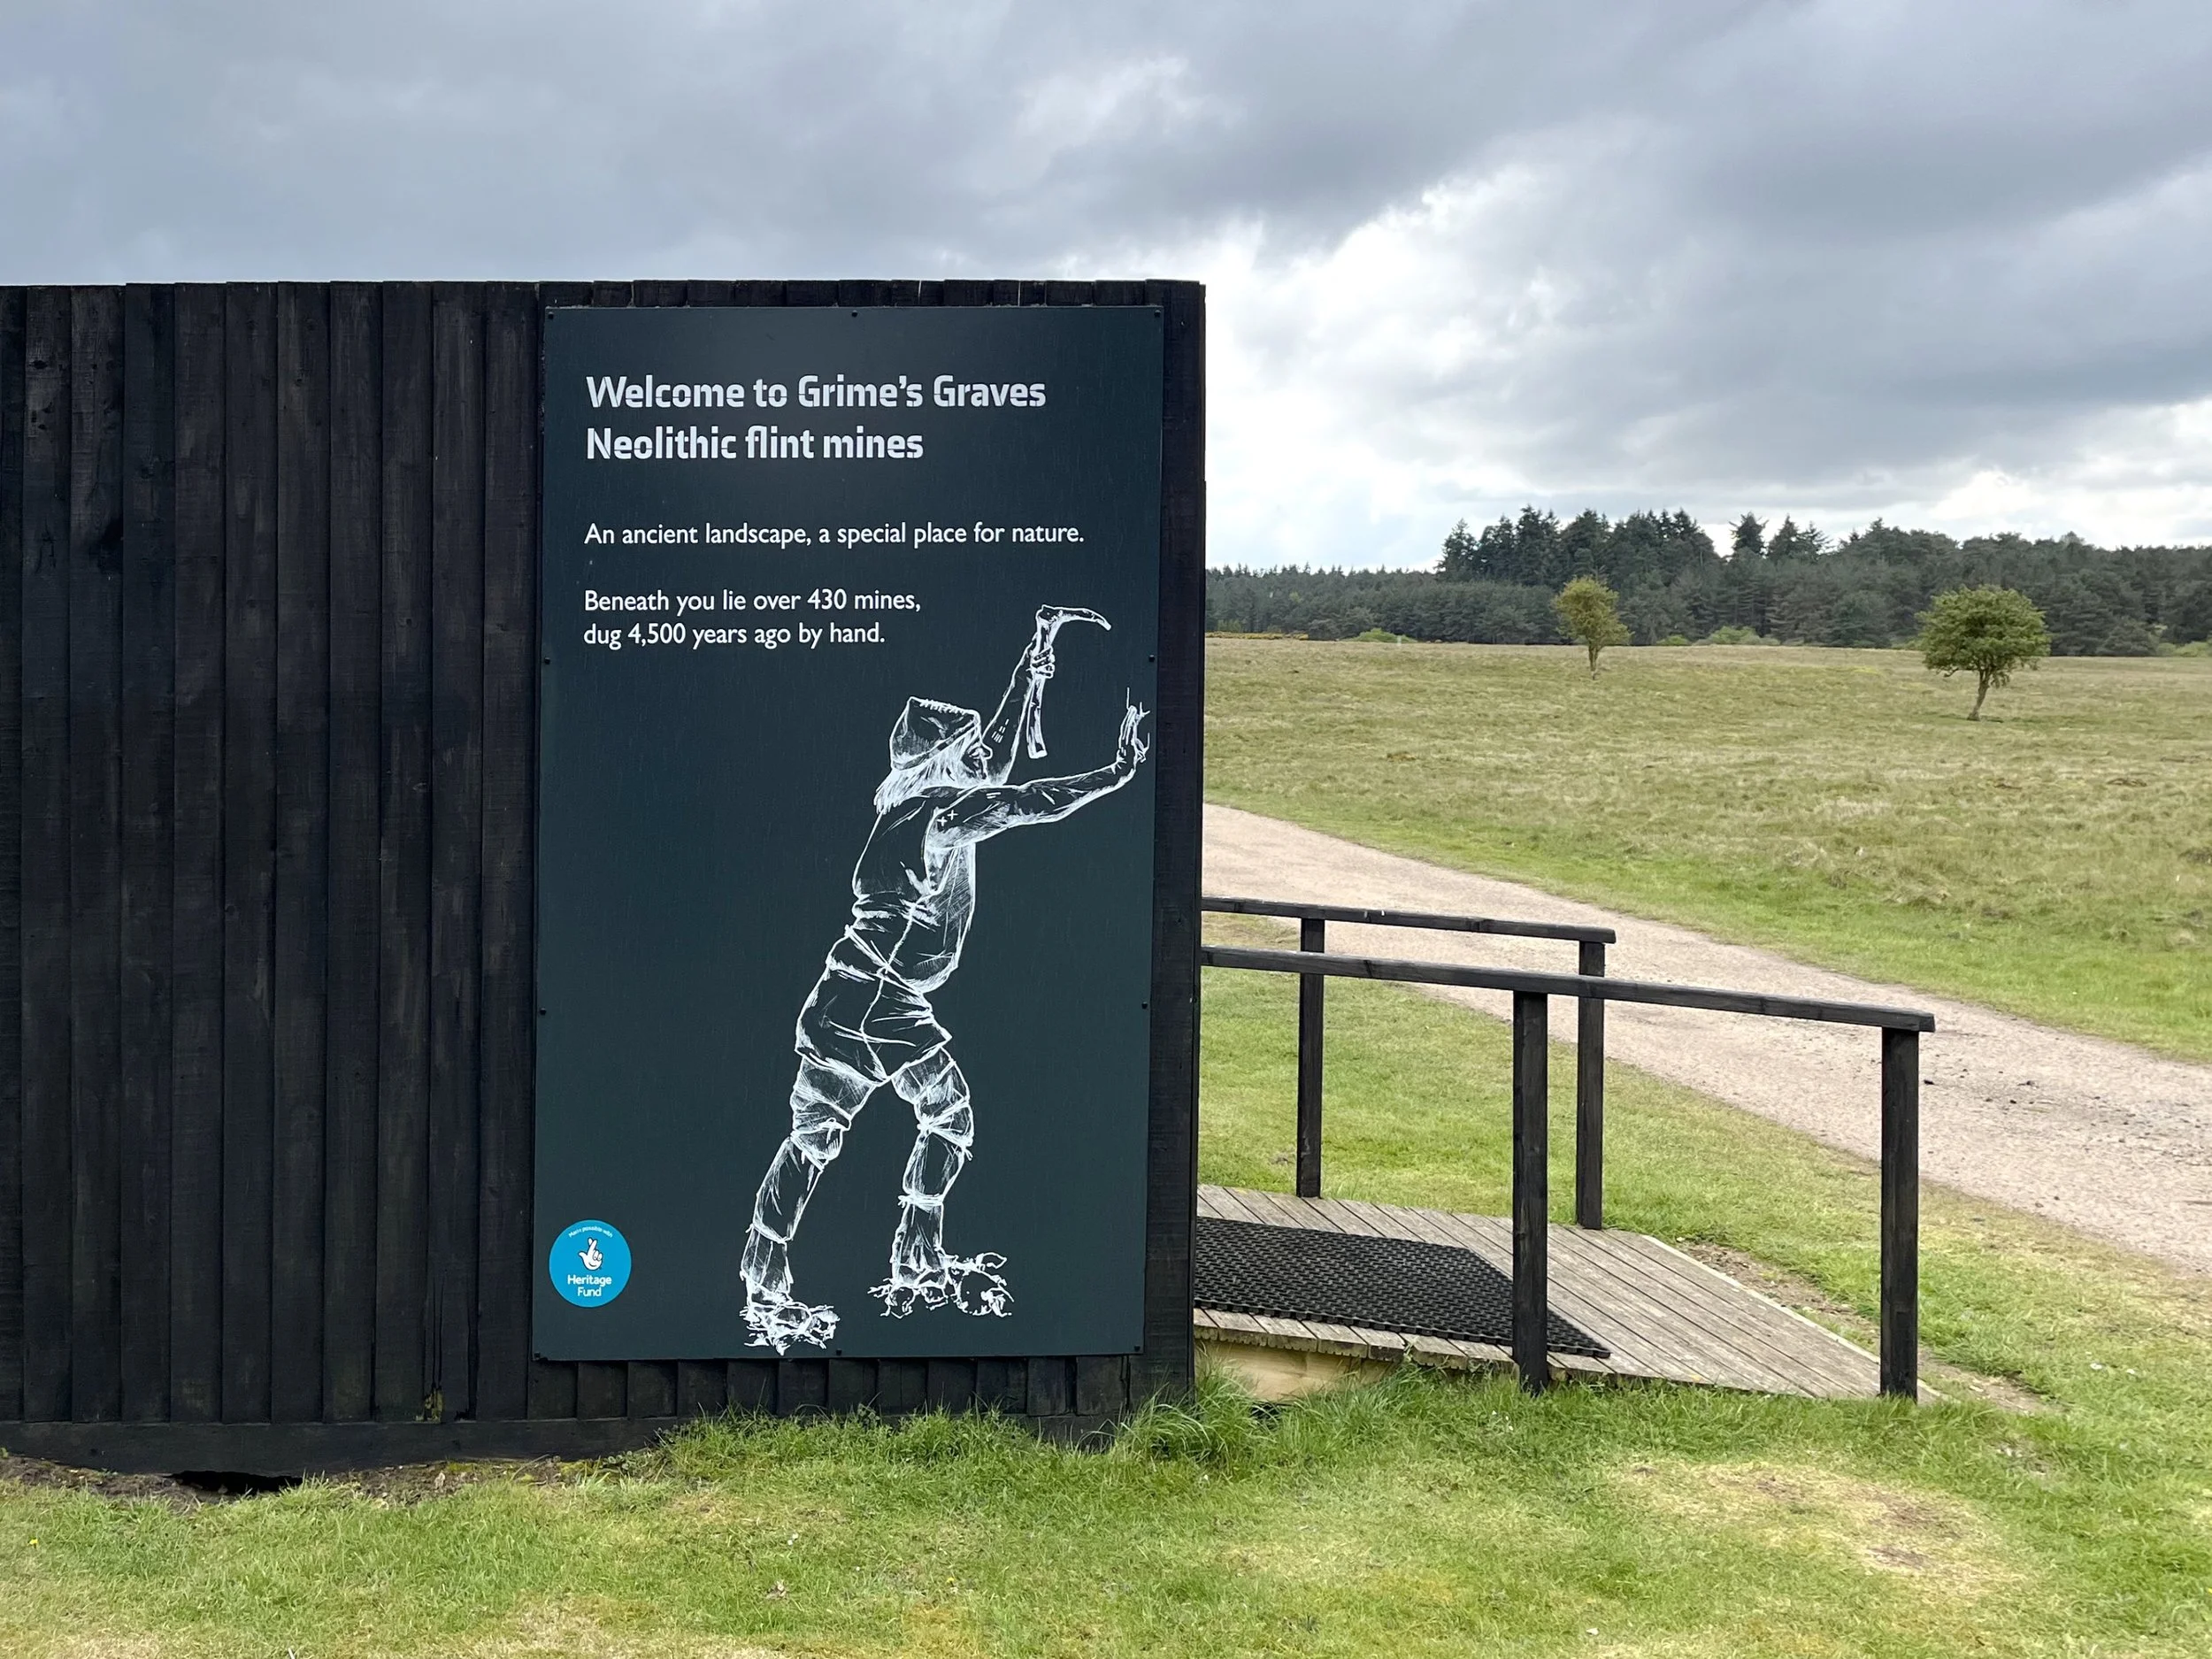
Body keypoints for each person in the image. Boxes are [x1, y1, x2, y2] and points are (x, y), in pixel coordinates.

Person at [740, 610, 1149, 1353]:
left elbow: (998, 757)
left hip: (848, 994)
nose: (977, 754)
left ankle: (773, 1275)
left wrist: (1035, 657)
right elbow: (1023, 800)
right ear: (941, 762)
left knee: (815, 1137)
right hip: (882, 1001)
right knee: (947, 1117)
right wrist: (1114, 774)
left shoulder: (907, 804)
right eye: (962, 749)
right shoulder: (939, 814)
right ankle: (907, 1256)